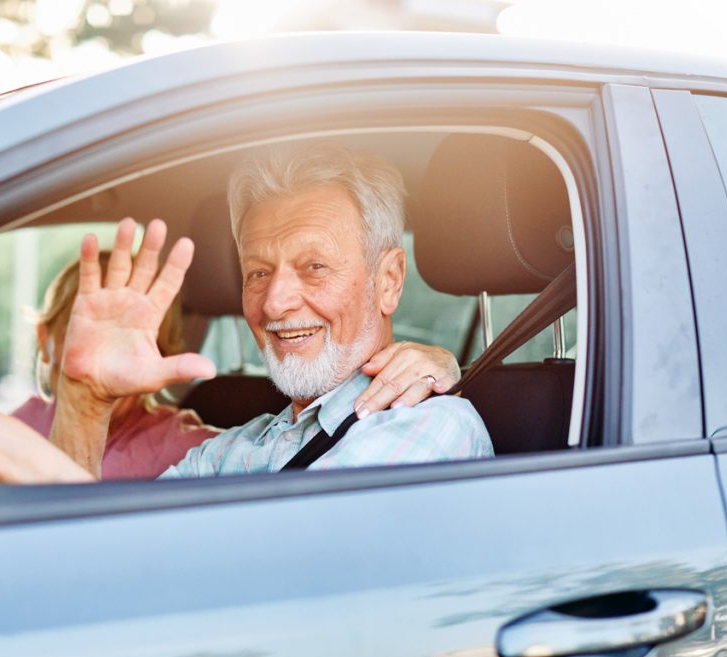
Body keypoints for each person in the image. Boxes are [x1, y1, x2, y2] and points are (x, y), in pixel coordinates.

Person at [38, 144, 493, 479]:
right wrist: (85, 401)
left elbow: (286, 572)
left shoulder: (432, 429)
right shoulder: (228, 451)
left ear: (389, 280)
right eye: (257, 273)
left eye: (314, 267)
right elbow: (100, 556)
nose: (274, 302)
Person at [12, 252, 219, 479]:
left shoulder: (181, 446)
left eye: (128, 344)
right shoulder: (17, 428)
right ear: (44, 340)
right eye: (84, 335)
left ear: (160, 354)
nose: (106, 361)